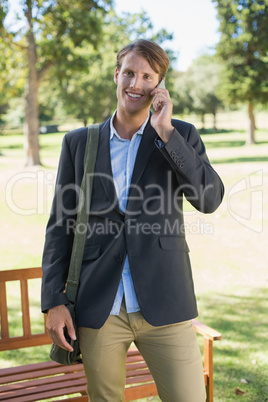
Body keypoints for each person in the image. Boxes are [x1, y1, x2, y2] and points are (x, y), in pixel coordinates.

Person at [41, 39, 224, 401]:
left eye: (147, 76)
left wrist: (166, 133)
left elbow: (209, 199)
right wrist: (53, 300)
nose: (135, 84)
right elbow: (60, 225)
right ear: (116, 75)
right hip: (99, 306)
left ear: (159, 85)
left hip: (165, 301)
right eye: (129, 73)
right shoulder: (79, 143)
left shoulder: (179, 135)